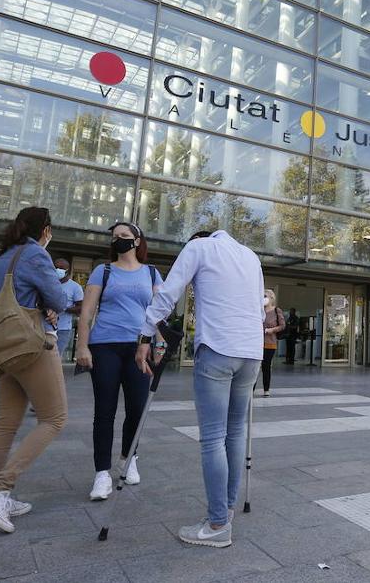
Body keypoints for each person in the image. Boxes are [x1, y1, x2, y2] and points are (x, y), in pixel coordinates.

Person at [142, 229, 263, 549]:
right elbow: (259, 308)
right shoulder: (251, 256)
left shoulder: (198, 248)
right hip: (251, 353)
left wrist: (145, 332)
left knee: (213, 438)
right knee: (235, 432)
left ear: (197, 240)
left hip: (218, 348)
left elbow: (168, 293)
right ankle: (227, 509)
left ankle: (218, 523)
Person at [0, 207, 68, 534]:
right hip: (31, 347)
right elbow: (59, 299)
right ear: (45, 230)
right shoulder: (35, 255)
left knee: (5, 424)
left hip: (3, 348)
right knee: (54, 419)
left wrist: (41, 304)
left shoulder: (3, 257)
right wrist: (48, 304)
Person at [75, 222, 162, 501]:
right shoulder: (103, 270)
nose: (118, 240)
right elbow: (87, 312)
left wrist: (159, 344)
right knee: (105, 410)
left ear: (137, 241)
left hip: (140, 347)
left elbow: (158, 312)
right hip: (104, 346)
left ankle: (128, 457)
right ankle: (102, 473)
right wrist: (82, 346)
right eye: (115, 237)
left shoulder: (151, 272)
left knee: (137, 408)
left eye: (124, 236)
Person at [53, 259, 83, 361]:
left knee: (55, 357)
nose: (58, 270)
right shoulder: (49, 283)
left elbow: (80, 308)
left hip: (63, 328)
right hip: (45, 326)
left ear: (67, 271)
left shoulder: (75, 287)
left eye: (61, 268)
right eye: (56, 267)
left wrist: (64, 308)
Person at [260, 289, 285, 397]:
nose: (263, 298)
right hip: (257, 342)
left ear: (271, 298)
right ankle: (251, 389)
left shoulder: (276, 311)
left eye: (265, 296)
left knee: (266, 366)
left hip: (270, 342)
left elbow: (282, 325)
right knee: (254, 367)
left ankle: (266, 389)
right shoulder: (259, 310)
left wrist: (272, 330)